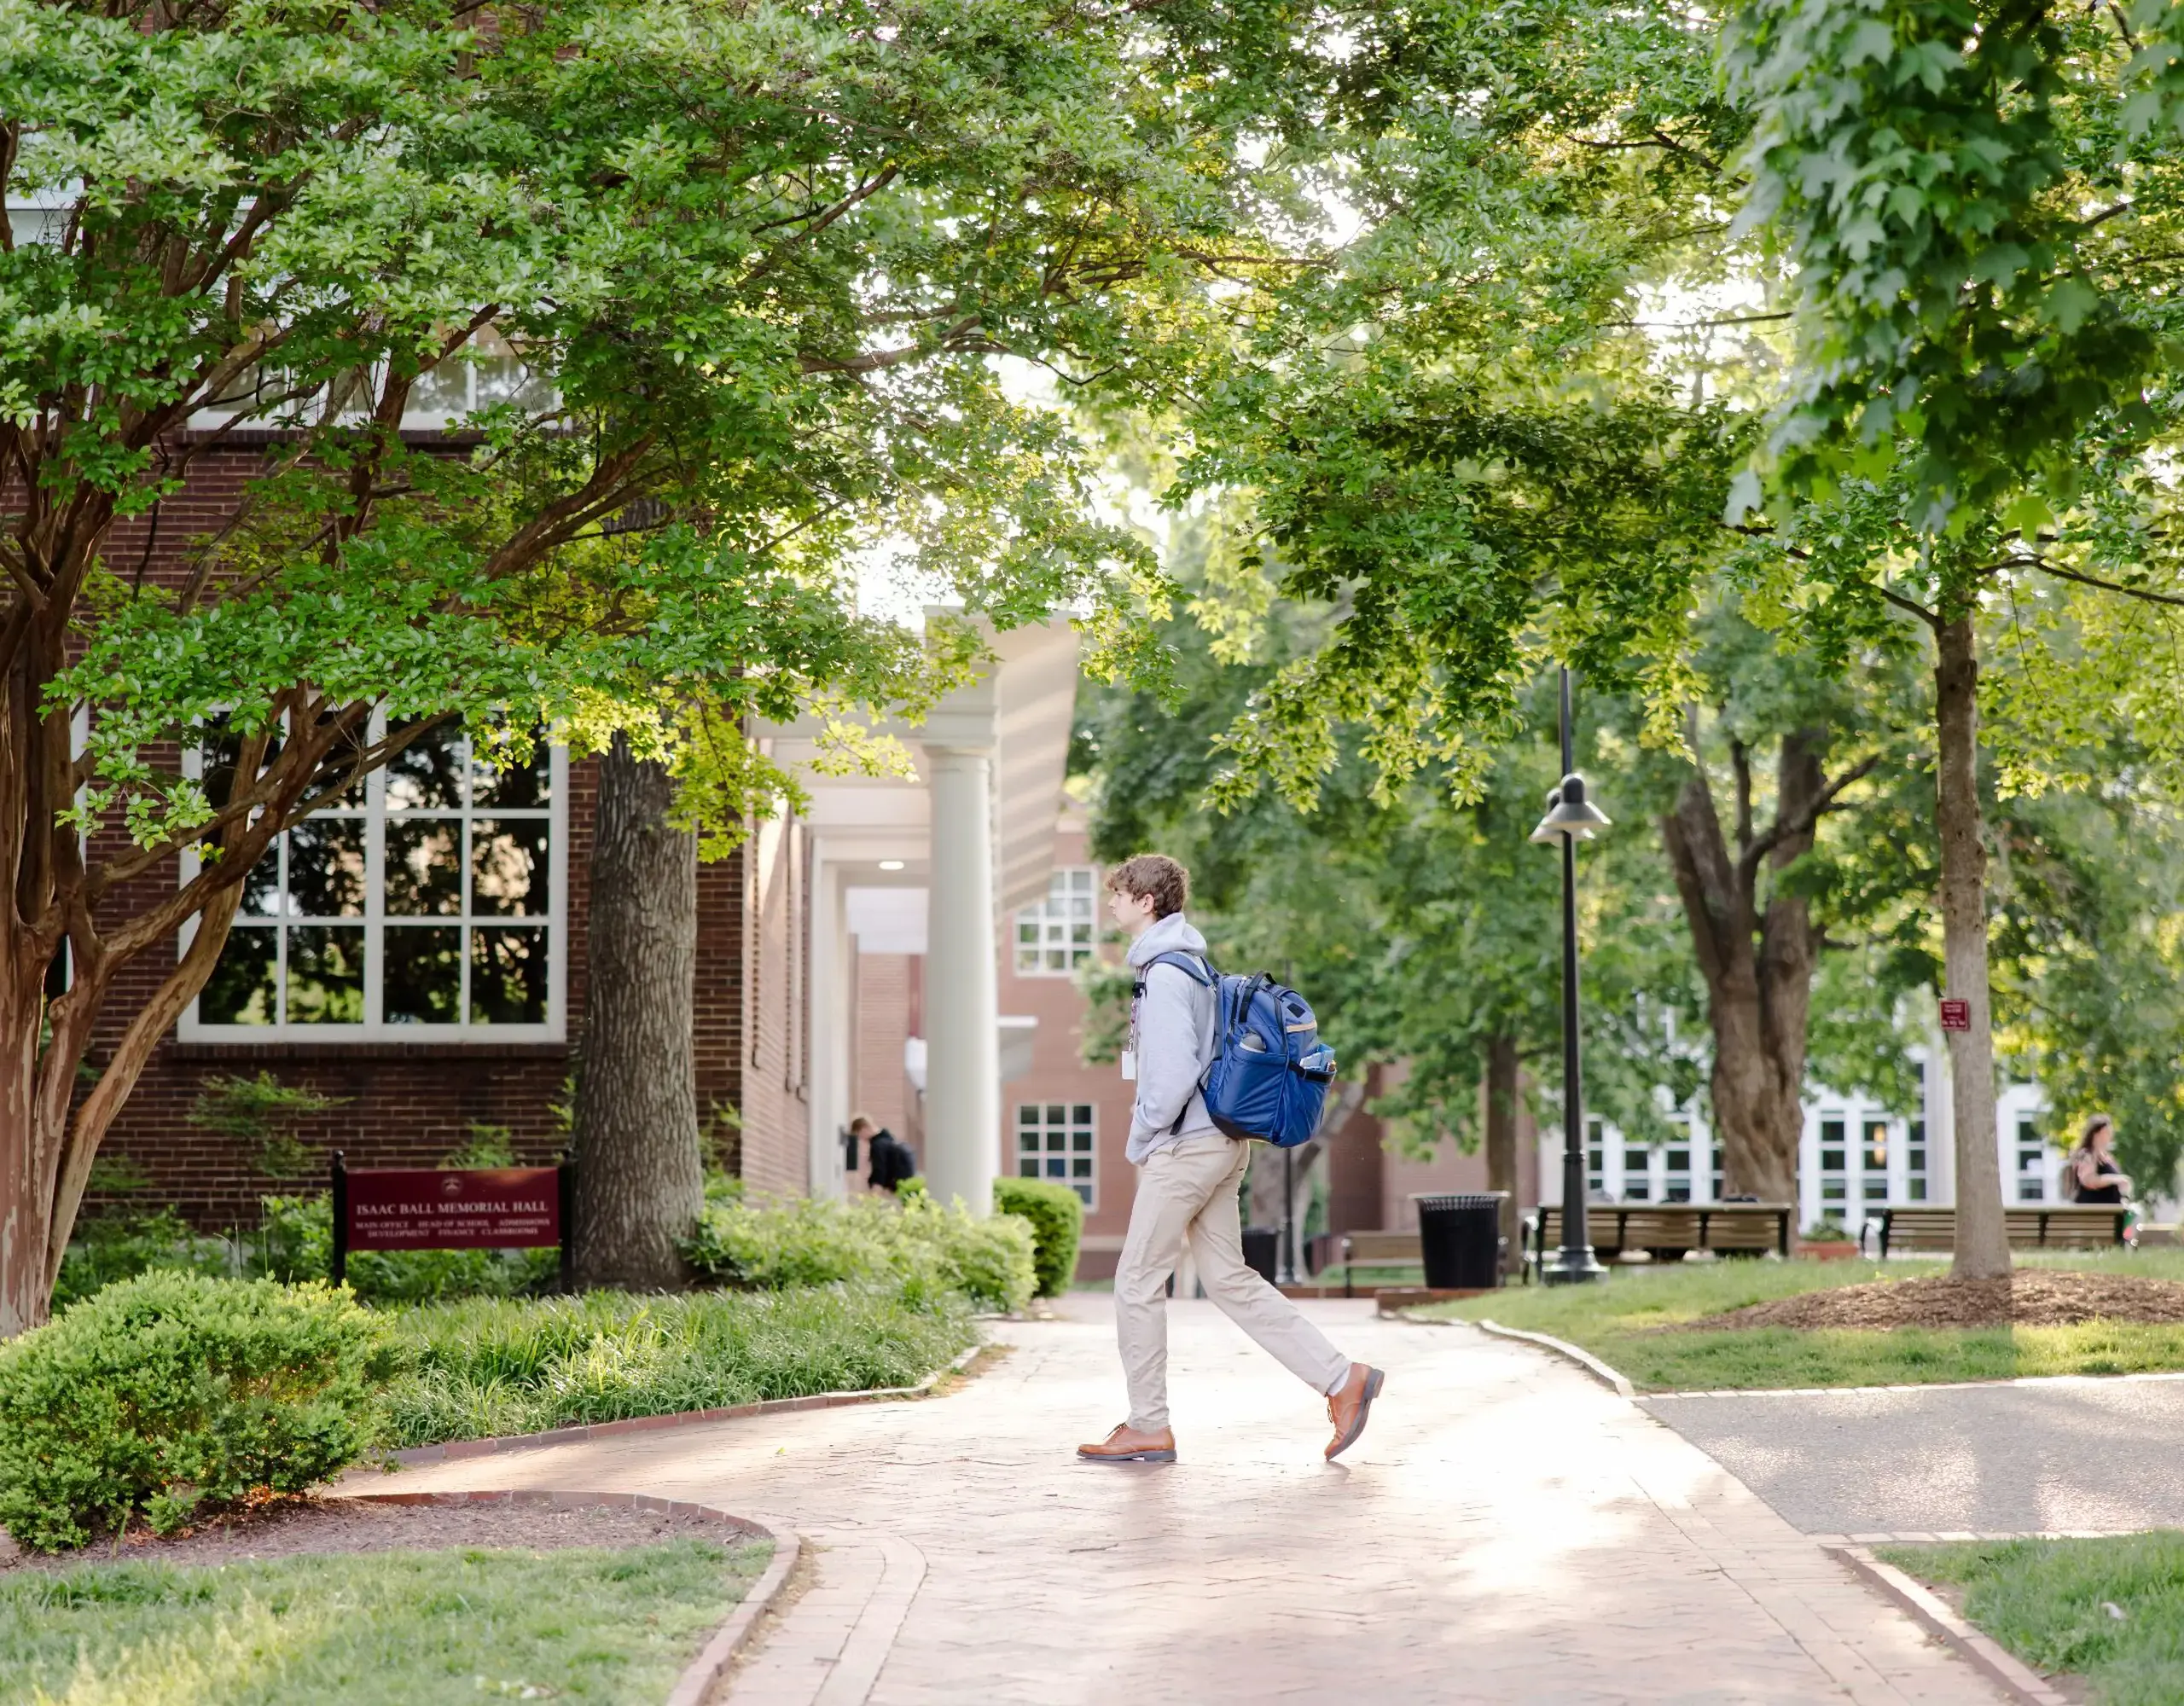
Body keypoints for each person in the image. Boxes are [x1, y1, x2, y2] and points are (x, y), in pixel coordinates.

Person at [1077, 853, 1384, 1466]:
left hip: (1186, 1148)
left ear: (1146, 902)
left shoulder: (1165, 974)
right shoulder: (1194, 965)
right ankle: (1342, 1379)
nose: (1110, 903)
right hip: (1222, 1144)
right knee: (1230, 1280)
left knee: (1136, 1282)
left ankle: (1148, 1425)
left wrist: (1142, 1137)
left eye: (1118, 894)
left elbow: (1168, 1079)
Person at [2067, 1114, 2130, 1204]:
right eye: (2107, 1132)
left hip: (2111, 1213)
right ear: (2096, 1134)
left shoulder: (2107, 1157)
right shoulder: (2087, 1155)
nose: (2110, 1136)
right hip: (2094, 1214)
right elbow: (2088, 1180)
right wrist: (2114, 1179)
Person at [854, 1115, 916, 1195]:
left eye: (859, 1135)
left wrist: (874, 1196)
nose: (861, 1139)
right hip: (904, 1188)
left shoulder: (878, 1146)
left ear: (864, 1128)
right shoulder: (889, 1142)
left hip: (892, 1190)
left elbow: (879, 1172)